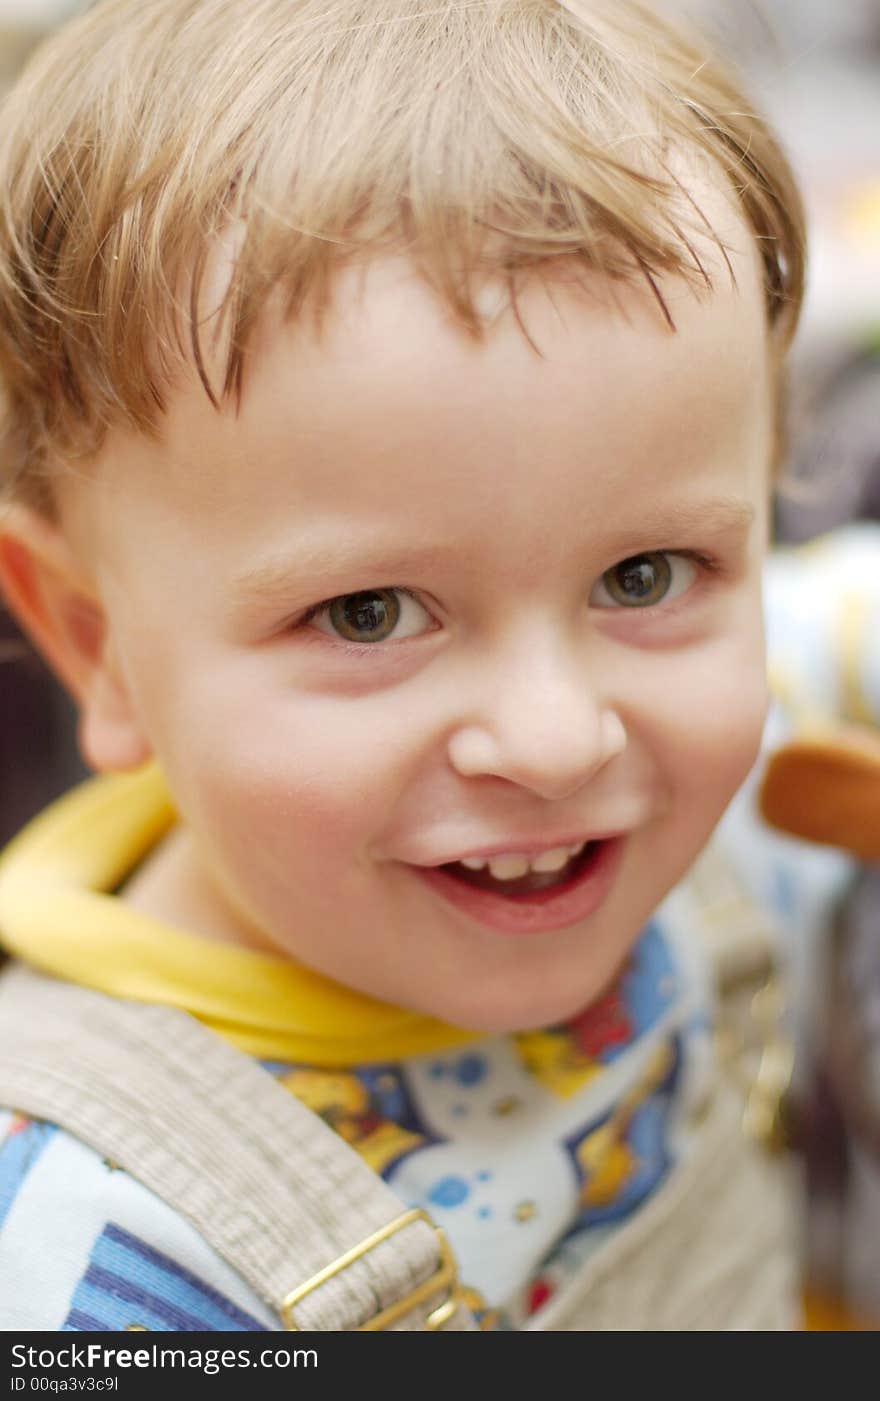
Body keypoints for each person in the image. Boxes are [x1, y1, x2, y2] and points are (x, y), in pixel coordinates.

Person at [0, 0, 807, 1330]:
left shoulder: (712, 832)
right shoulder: (93, 1251)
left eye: (646, 575)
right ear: (96, 642)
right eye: (369, 613)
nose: (557, 741)